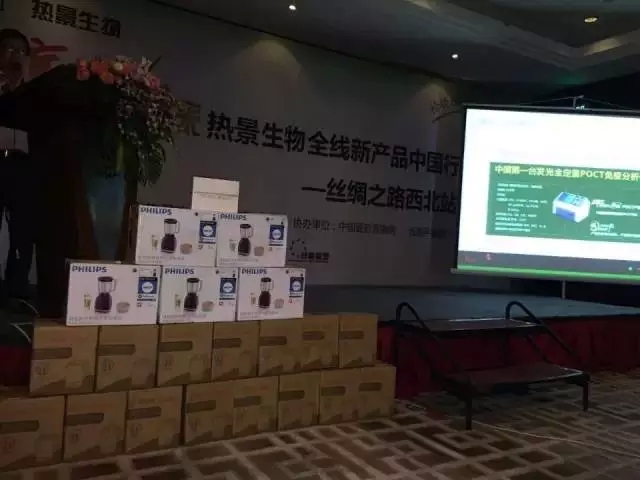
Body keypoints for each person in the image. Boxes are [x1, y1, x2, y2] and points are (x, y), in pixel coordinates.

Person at [0, 28, 35, 302]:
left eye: (22, 52)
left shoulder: (34, 94)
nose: (17, 56)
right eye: (10, 50)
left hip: (22, 168)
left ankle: (17, 291)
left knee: (22, 232)